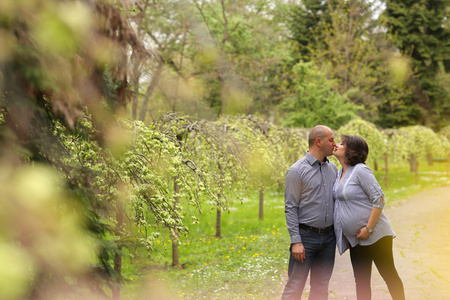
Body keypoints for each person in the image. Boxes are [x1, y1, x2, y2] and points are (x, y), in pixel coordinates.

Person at [332, 135, 405, 300]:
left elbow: (379, 198)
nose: (337, 144)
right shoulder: (339, 174)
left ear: (351, 151)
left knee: (389, 275)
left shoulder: (360, 170)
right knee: (361, 282)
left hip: (376, 234)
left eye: (342, 143)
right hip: (356, 239)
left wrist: (368, 228)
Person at [282, 125, 338, 300]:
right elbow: (290, 208)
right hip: (305, 239)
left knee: (321, 288)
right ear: (318, 142)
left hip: (329, 239)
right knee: (295, 286)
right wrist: (296, 241)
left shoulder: (333, 169)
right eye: (331, 140)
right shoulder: (297, 171)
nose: (334, 144)